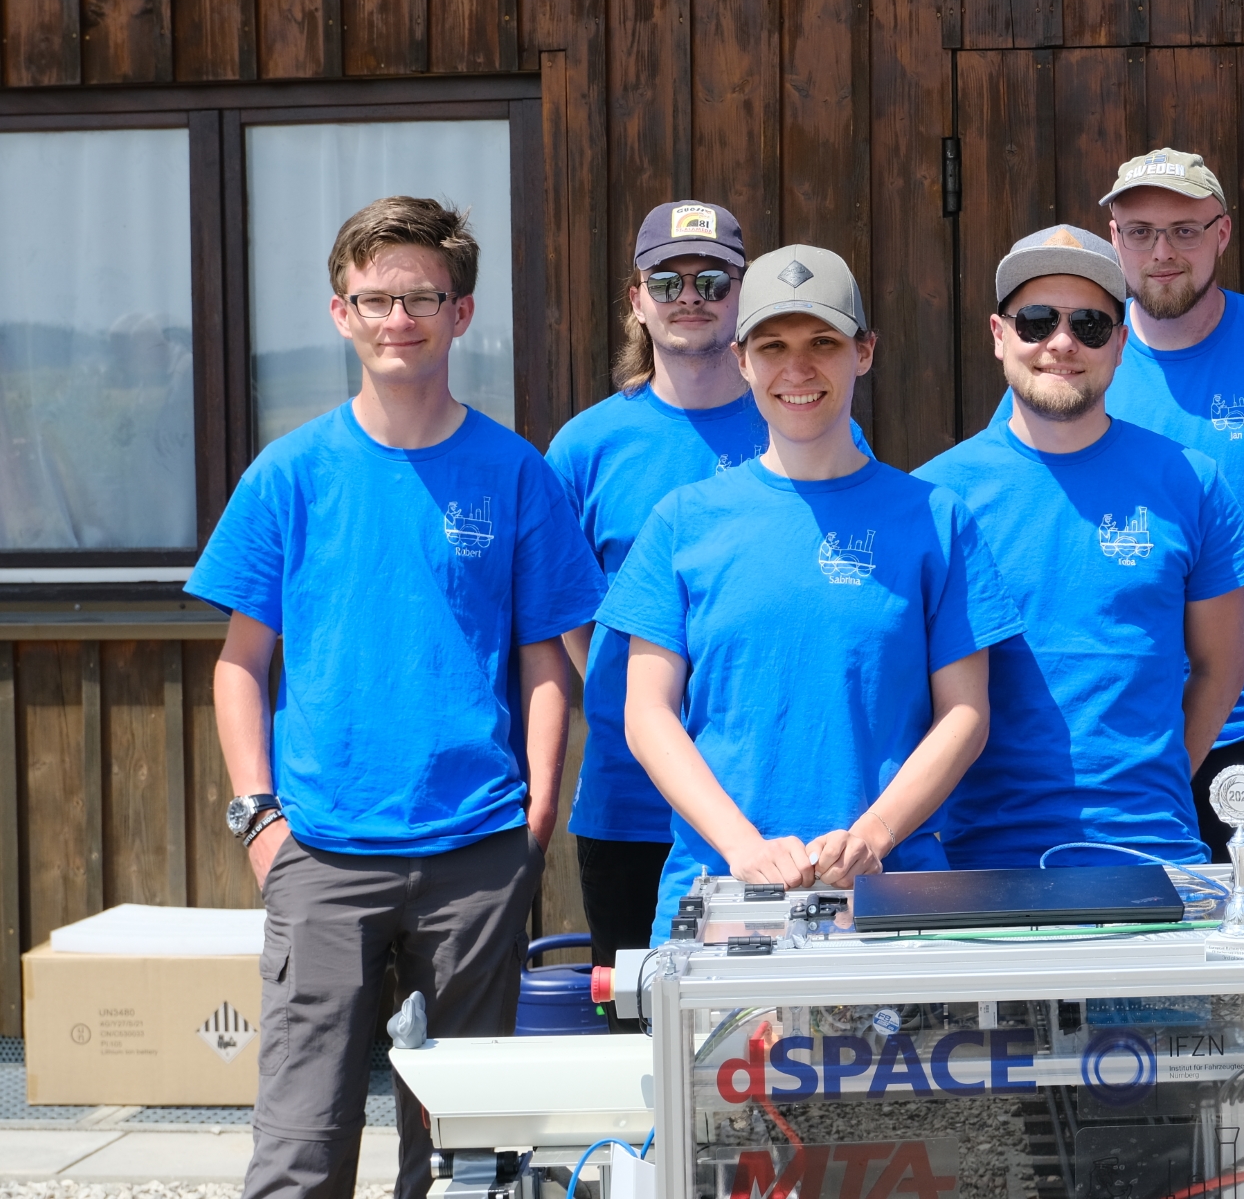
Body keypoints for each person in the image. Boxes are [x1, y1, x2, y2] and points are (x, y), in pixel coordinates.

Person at [189, 198, 605, 1199]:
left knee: (466, 1147)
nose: (397, 319)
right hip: (322, 854)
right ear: (342, 314)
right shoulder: (289, 476)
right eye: (375, 299)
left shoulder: (514, 473)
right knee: (300, 1144)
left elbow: (548, 661)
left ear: (460, 315)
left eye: (422, 297)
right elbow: (240, 663)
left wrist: (535, 813)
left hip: (475, 849)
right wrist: (258, 820)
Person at [599, 245, 1022, 935]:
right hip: (721, 898)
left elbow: (966, 714)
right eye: (773, 346)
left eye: (823, 342)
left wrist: (875, 834)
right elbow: (648, 716)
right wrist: (742, 848)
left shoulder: (934, 518)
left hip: (892, 898)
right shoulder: (683, 520)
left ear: (864, 351)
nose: (798, 368)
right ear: (743, 362)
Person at [997, 148, 1244, 861]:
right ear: (1113, 239)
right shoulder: (1065, 358)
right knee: (1129, 968)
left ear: (1223, 234)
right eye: (1141, 231)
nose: (1162, 252)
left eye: (1185, 229)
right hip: (1112, 755)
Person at [545, 202, 866, 974]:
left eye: (713, 278)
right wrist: (639, 702)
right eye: (668, 278)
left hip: (769, 805)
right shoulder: (585, 445)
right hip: (630, 797)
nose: (690, 294)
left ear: (741, 293)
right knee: (648, 1044)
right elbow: (564, 605)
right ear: (637, 298)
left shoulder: (809, 422)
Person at [919, 225, 1244, 870]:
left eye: (1090, 325)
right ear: (999, 336)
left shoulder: (1189, 482)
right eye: (1037, 321)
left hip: (1153, 853)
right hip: (980, 860)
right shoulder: (933, 497)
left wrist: (1151, 787)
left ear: (1121, 344)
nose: (1062, 343)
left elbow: (1221, 669)